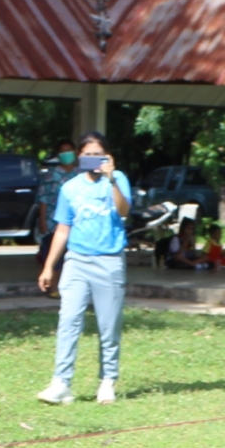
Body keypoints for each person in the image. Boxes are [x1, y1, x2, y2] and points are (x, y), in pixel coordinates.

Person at [37, 132, 131, 405]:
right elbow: (62, 229)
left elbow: (123, 211)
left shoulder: (118, 179)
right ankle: (61, 382)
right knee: (68, 321)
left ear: (107, 156)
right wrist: (49, 267)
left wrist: (111, 178)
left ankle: (107, 380)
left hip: (109, 261)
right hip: (77, 261)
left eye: (97, 155)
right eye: (87, 155)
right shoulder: (70, 188)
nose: (92, 159)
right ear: (80, 157)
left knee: (108, 326)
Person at [34, 140, 75, 275]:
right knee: (53, 257)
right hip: (53, 223)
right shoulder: (50, 175)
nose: (66, 154)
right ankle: (52, 283)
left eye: (69, 150)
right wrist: (42, 221)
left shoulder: (81, 174)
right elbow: (43, 198)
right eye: (63, 151)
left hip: (76, 224)